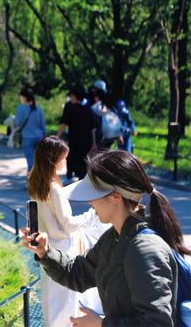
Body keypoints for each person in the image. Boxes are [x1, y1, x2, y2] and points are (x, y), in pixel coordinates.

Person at [22, 150, 182, 326]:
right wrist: (45, 252)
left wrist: (101, 324)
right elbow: (78, 273)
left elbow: (157, 323)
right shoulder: (114, 237)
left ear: (115, 197)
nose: (89, 202)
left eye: (92, 196)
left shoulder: (145, 250)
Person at [27, 136, 107, 326]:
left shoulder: (34, 182)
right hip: (64, 248)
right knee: (66, 300)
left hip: (46, 248)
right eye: (63, 158)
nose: (65, 161)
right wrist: (90, 214)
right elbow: (68, 224)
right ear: (53, 159)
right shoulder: (54, 188)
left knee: (51, 299)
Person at [58, 85, 96, 180]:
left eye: (72, 95)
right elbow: (64, 122)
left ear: (77, 96)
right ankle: (71, 175)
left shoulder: (87, 107)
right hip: (75, 139)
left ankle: (79, 179)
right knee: (72, 158)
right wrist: (57, 136)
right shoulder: (70, 106)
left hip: (83, 140)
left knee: (81, 163)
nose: (70, 97)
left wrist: (94, 142)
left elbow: (92, 127)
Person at [14, 88, 46, 172]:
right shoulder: (38, 108)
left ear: (24, 97)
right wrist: (45, 135)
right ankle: (40, 177)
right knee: (39, 160)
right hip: (39, 137)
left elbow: (18, 123)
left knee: (30, 160)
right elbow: (42, 124)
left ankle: (31, 178)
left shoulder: (20, 108)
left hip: (27, 137)